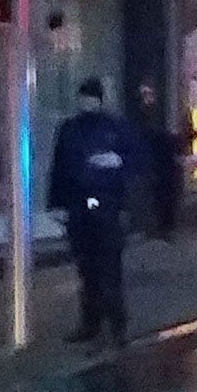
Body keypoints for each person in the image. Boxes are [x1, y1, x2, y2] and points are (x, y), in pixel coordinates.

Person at [47, 77, 139, 347]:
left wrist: (118, 161)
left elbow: (137, 161)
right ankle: (92, 323)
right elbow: (59, 168)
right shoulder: (70, 129)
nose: (86, 102)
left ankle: (116, 325)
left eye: (90, 98)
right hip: (80, 205)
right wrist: (57, 204)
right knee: (87, 269)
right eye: (83, 98)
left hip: (107, 204)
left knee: (109, 267)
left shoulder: (116, 128)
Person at [131, 78, 182, 241]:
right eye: (145, 95)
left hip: (160, 163)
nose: (149, 100)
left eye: (150, 95)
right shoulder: (142, 119)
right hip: (151, 162)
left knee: (163, 193)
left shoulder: (159, 115)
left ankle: (162, 227)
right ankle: (154, 227)